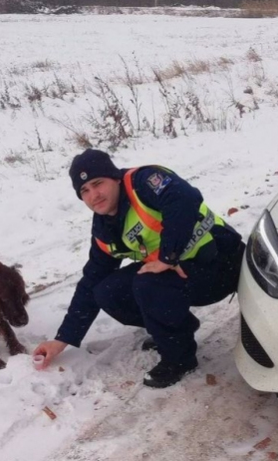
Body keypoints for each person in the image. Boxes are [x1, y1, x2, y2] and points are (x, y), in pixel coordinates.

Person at [33, 149, 245, 388]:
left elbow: (184, 198)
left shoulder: (143, 182)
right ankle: (175, 330)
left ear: (114, 177)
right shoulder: (104, 230)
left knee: (148, 284)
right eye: (85, 191)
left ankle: (180, 359)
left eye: (97, 183)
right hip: (183, 274)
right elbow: (91, 280)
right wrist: (63, 339)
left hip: (222, 262)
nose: (94, 195)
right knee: (106, 291)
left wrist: (168, 256)